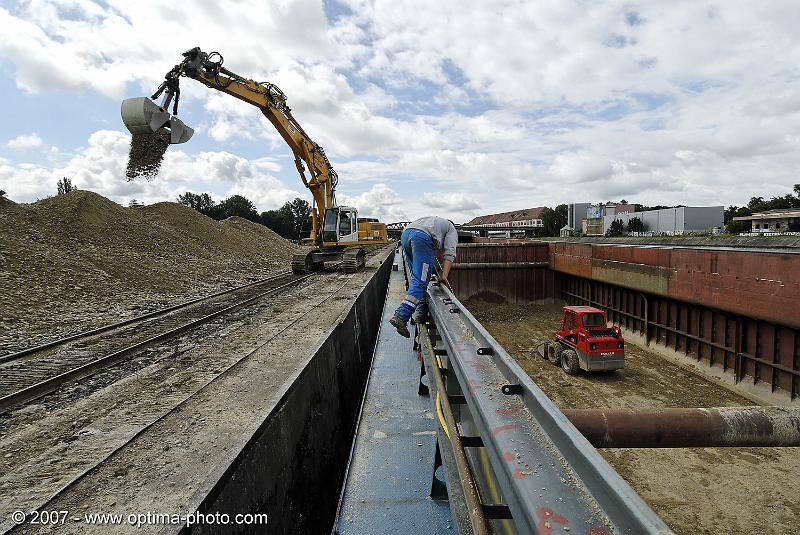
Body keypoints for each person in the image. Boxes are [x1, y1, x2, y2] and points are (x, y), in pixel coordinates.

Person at [390, 216, 458, 338]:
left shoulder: (434, 222)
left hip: (406, 235)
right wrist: (444, 276)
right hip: (421, 238)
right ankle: (401, 315)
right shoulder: (451, 228)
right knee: (421, 281)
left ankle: (420, 313)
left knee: (417, 278)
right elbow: (449, 253)